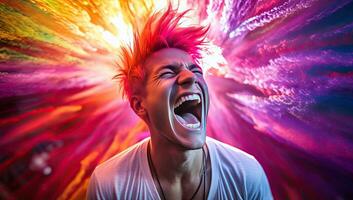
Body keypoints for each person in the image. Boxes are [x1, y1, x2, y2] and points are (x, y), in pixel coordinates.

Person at [87, 5, 273, 200]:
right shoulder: (110, 184)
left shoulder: (246, 174)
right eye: (168, 72)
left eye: (197, 71)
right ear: (140, 106)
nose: (190, 77)